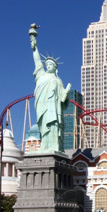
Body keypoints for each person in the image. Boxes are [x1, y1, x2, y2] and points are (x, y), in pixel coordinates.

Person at [29, 24, 71, 153]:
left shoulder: (58, 80)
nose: (48, 66)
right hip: (43, 107)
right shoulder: (41, 75)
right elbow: (37, 60)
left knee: (54, 126)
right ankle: (44, 146)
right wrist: (33, 41)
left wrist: (66, 93)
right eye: (47, 64)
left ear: (55, 67)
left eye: (51, 64)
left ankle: (54, 147)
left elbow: (63, 100)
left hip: (54, 109)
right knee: (43, 126)